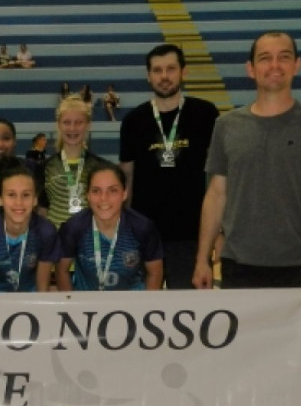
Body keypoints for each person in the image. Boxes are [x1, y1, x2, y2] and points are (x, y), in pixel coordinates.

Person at [193, 31, 301, 301]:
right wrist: (202, 259)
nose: (274, 65)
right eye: (265, 58)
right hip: (238, 267)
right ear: (251, 69)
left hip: (298, 269)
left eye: (283, 57)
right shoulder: (226, 125)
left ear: (297, 64)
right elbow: (216, 195)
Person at [119, 43, 220, 289]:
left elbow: (220, 179)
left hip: (191, 236)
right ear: (148, 75)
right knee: (140, 311)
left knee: (189, 312)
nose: (164, 76)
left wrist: (220, 232)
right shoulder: (133, 121)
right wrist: (123, 232)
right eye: (157, 70)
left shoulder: (206, 114)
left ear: (183, 72)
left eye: (171, 69)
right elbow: (127, 179)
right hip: (143, 236)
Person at [57, 161, 163, 291]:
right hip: (87, 306)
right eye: (96, 191)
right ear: (87, 195)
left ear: (124, 193)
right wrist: (72, 306)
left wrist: (146, 307)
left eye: (112, 191)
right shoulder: (74, 228)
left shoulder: (142, 227)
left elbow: (155, 273)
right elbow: (61, 271)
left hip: (132, 305)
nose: (104, 198)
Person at [0, 157, 60, 293]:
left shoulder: (46, 231)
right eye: (11, 195)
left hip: (30, 296)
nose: (19, 202)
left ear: (35, 199)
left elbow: (43, 289)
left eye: (26, 195)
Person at [38, 95, 108, 229]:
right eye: (67, 122)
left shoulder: (101, 167)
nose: (72, 128)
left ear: (88, 125)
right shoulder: (45, 168)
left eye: (78, 122)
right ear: (58, 125)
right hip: (56, 244)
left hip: (90, 243)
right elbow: (42, 212)